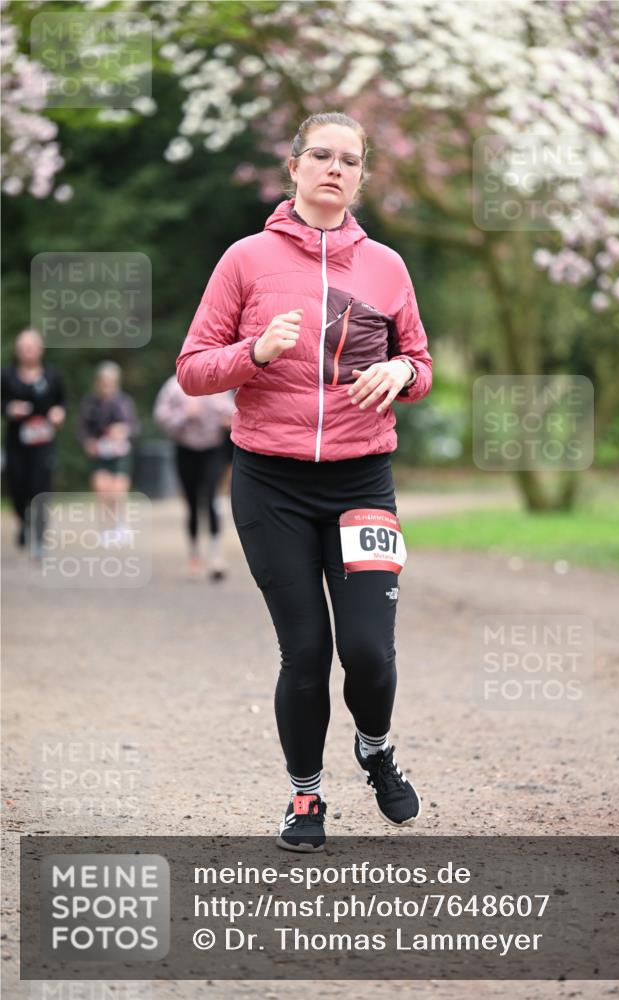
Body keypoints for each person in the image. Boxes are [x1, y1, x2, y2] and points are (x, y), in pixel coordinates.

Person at [176, 111, 433, 852]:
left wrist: (400, 371)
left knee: (370, 653)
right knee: (307, 652)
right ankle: (305, 798)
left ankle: (375, 749)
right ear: (292, 167)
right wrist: (254, 351)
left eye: (348, 159)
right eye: (319, 154)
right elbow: (193, 368)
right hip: (271, 484)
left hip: (361, 482)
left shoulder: (385, 266)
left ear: (360, 176)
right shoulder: (246, 259)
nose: (333, 168)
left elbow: (419, 363)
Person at [153, 374, 236, 580]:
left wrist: (228, 420)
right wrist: (183, 415)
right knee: (191, 503)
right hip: (185, 450)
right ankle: (194, 554)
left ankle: (216, 556)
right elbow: (160, 417)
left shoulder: (217, 385)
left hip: (212, 450)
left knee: (210, 499)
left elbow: (232, 411)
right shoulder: (173, 386)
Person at [1, 328, 67, 555]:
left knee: (41, 487)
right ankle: (23, 520)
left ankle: (39, 537)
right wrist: (9, 408)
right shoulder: (7, 374)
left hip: (43, 441)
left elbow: (62, 401)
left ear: (40, 350)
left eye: (31, 347)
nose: (27, 352)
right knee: (17, 485)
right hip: (16, 441)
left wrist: (59, 413)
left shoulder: (51, 375)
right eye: (23, 348)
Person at [77, 361, 140, 547]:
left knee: (118, 491)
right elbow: (82, 430)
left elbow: (135, 428)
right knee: (102, 491)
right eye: (104, 382)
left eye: (111, 382)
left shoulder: (124, 402)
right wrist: (88, 443)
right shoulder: (90, 403)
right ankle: (106, 528)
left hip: (120, 453)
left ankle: (121, 525)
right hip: (100, 453)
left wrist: (122, 431)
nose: (107, 386)